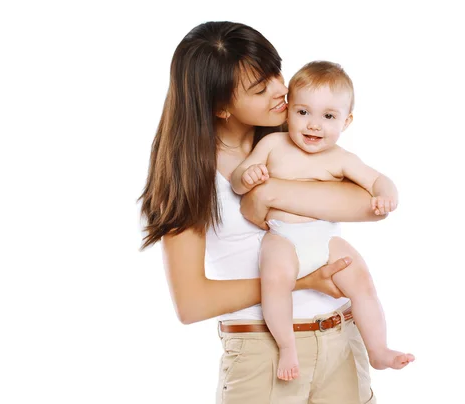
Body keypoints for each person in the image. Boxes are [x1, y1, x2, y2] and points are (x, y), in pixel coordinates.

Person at [140, 21, 388, 403]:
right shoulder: (190, 175)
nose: (280, 90)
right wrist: (302, 281)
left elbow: (370, 208)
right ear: (221, 107)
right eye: (260, 88)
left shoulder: (298, 139)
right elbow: (191, 303)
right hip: (263, 353)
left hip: (342, 337)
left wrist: (270, 192)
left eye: (276, 71)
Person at [230, 60, 415, 381]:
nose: (314, 125)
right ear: (287, 111)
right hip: (282, 236)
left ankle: (379, 350)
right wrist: (247, 176)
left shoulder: (341, 158)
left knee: (364, 285)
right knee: (275, 283)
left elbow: (379, 180)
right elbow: (237, 180)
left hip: (324, 239)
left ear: (347, 121)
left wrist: (388, 195)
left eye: (328, 116)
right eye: (303, 112)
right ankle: (287, 346)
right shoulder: (273, 144)